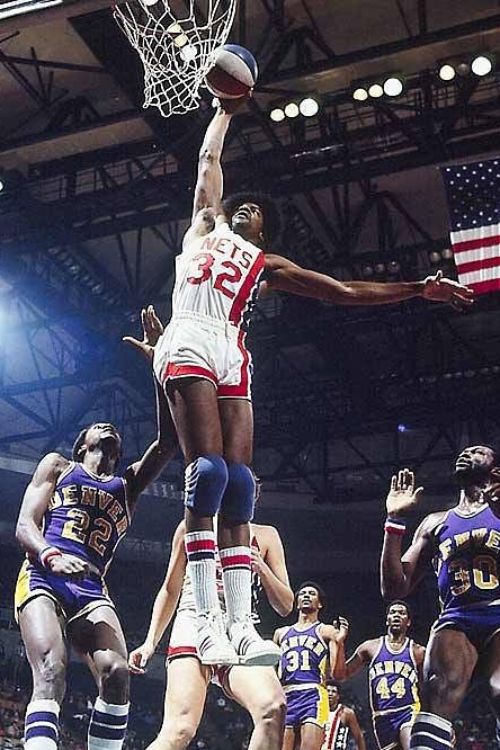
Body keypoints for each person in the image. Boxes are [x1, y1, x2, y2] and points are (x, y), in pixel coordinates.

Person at [152, 97, 474, 667]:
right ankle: (202, 619)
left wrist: (415, 289)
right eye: (241, 205)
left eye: (258, 212)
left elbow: (344, 291)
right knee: (205, 473)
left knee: (241, 484)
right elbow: (206, 159)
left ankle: (240, 623)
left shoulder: (267, 266)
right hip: (190, 335)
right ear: (225, 213)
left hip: (231, 346)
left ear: (265, 231)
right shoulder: (202, 229)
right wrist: (226, 111)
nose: (248, 208)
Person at [14, 307, 177, 750]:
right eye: (98, 427)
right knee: (51, 671)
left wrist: (161, 366)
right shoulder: (58, 465)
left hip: (90, 586)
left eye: (114, 431)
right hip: (43, 573)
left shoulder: (129, 485)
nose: (109, 426)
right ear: (81, 443)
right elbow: (25, 525)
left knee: (119, 674)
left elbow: (170, 442)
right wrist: (50, 554)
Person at [128, 514, 294, 750]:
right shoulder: (190, 526)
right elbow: (171, 588)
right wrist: (149, 642)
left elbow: (286, 605)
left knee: (273, 708)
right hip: (194, 620)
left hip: (238, 626)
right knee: (179, 729)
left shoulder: (266, 535)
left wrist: (262, 568)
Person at [380, 448, 500, 750]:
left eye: (478, 451)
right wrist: (393, 521)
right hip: (457, 615)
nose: (466, 452)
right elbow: (395, 588)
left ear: (494, 470)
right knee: (439, 694)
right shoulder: (436, 522)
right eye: (463, 450)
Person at [335, 601, 425, 750]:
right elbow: (341, 675)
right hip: (381, 718)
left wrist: (437, 722)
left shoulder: (418, 651)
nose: (396, 615)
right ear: (387, 619)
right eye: (393, 612)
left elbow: (427, 689)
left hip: (408, 711)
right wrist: (339, 643)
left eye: (401, 613)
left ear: (408, 622)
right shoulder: (370, 647)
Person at [274, 582, 348, 750]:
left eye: (312, 593)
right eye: (303, 593)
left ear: (319, 604)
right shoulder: (280, 633)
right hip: (286, 695)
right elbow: (273, 671)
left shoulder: (326, 631)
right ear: (297, 602)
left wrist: (340, 642)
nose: (306, 595)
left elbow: (338, 674)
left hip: (312, 694)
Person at [322, 680, 366, 750]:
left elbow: (358, 736)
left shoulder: (346, 713)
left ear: (338, 696)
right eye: (328, 691)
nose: (330, 694)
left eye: (333, 691)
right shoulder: (318, 711)